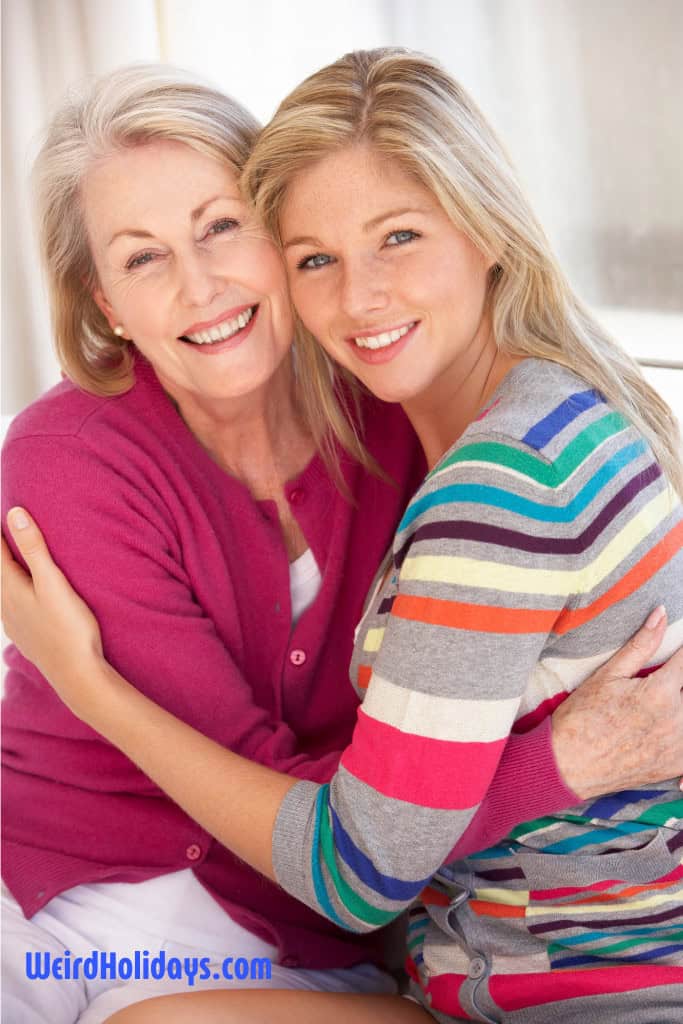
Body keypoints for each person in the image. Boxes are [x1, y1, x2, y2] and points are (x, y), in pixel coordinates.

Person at [3, 47, 683, 1024]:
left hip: (349, 934)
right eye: (142, 255)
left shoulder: (407, 413)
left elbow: (368, 844)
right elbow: (359, 828)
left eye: (219, 228)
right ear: (105, 303)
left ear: (271, 234)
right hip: (88, 897)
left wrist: (87, 683)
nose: (198, 286)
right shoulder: (74, 459)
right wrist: (554, 763)